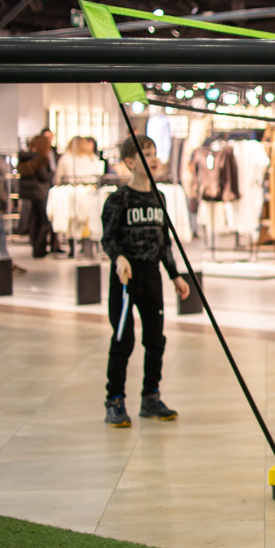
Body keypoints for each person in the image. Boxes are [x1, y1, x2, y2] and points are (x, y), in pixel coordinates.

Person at [100, 135, 190, 428]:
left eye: (154, 153)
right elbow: (108, 239)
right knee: (123, 340)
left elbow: (164, 242)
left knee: (155, 339)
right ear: (130, 162)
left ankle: (151, 397)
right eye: (146, 154)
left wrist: (174, 275)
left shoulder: (159, 198)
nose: (153, 159)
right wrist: (119, 258)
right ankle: (115, 400)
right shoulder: (118, 200)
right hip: (126, 279)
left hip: (152, 277)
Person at [17, 134, 57, 258]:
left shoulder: (25, 158)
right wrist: (52, 173)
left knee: (35, 221)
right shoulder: (41, 159)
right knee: (44, 221)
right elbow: (43, 176)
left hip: (30, 194)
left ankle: (36, 246)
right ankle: (40, 248)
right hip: (40, 193)